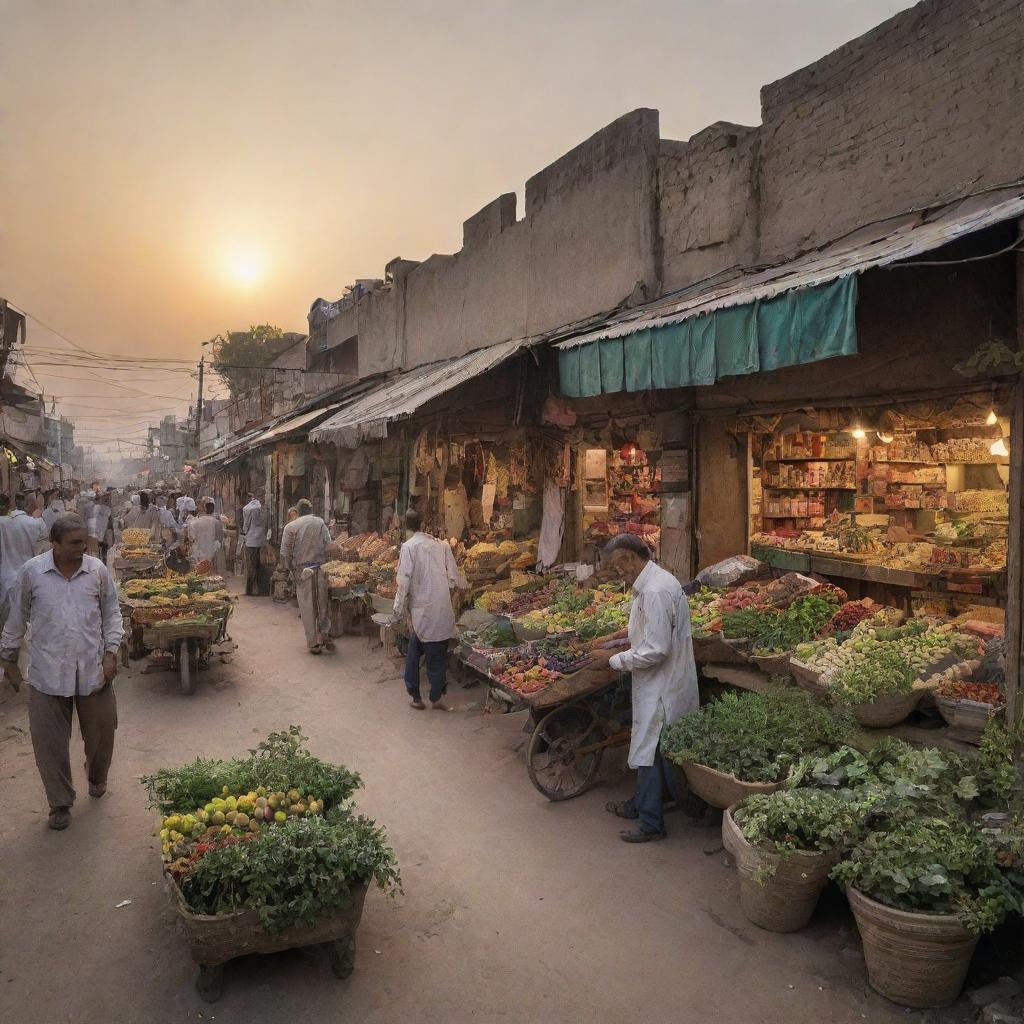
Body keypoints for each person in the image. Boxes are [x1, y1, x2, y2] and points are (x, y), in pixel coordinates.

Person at [0, 514, 124, 830]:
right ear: (54, 544)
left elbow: (112, 613)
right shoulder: (32, 573)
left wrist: (112, 652)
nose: (82, 547)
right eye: (74, 543)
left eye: (84, 541)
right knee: (49, 745)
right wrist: (8, 657)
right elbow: (17, 618)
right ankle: (59, 803)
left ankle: (96, 777)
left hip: (93, 671)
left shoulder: (96, 571)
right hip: (47, 673)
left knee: (102, 734)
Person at [590, 533, 698, 843]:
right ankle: (643, 804)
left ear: (628, 558)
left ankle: (651, 822)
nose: (615, 571)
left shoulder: (655, 591)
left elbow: (656, 649)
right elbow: (643, 627)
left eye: (616, 564)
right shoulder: (652, 584)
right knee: (654, 750)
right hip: (659, 683)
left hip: (663, 685)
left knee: (649, 750)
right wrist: (611, 638)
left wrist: (613, 659)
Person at [393, 508, 467, 710]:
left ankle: (417, 697)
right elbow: (454, 578)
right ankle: (436, 697)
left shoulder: (408, 547)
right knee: (437, 654)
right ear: (423, 524)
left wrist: (398, 610)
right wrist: (444, 593)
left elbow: (403, 582)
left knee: (415, 653)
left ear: (406, 525)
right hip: (441, 607)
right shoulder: (441, 546)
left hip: (421, 610)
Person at [280, 498, 334, 654]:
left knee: (307, 607)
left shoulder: (290, 527)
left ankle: (312, 643)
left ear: (298, 511)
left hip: (302, 571)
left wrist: (290, 570)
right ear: (311, 510)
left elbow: (285, 553)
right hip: (320, 568)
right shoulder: (320, 522)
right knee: (322, 603)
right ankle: (324, 634)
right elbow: (328, 544)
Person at [0, 492, 49, 610]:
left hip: (5, 581)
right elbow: (44, 554)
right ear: (33, 506)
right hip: (32, 581)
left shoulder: (2, 523)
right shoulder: (38, 524)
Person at [240, 494, 269, 596]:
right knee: (259, 565)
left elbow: (246, 525)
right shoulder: (264, 510)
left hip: (251, 541)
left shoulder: (248, 509)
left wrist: (244, 532)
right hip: (261, 541)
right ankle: (261, 590)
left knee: (251, 566)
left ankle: (250, 590)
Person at [187, 501, 225, 571]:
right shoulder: (216, 522)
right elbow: (220, 539)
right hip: (211, 552)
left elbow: (191, 538)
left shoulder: (195, 522)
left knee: (198, 573)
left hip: (197, 552)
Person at [87, 492, 112, 561]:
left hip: (96, 535)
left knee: (96, 554)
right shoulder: (106, 509)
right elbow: (110, 524)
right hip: (100, 535)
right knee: (102, 552)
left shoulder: (92, 509)